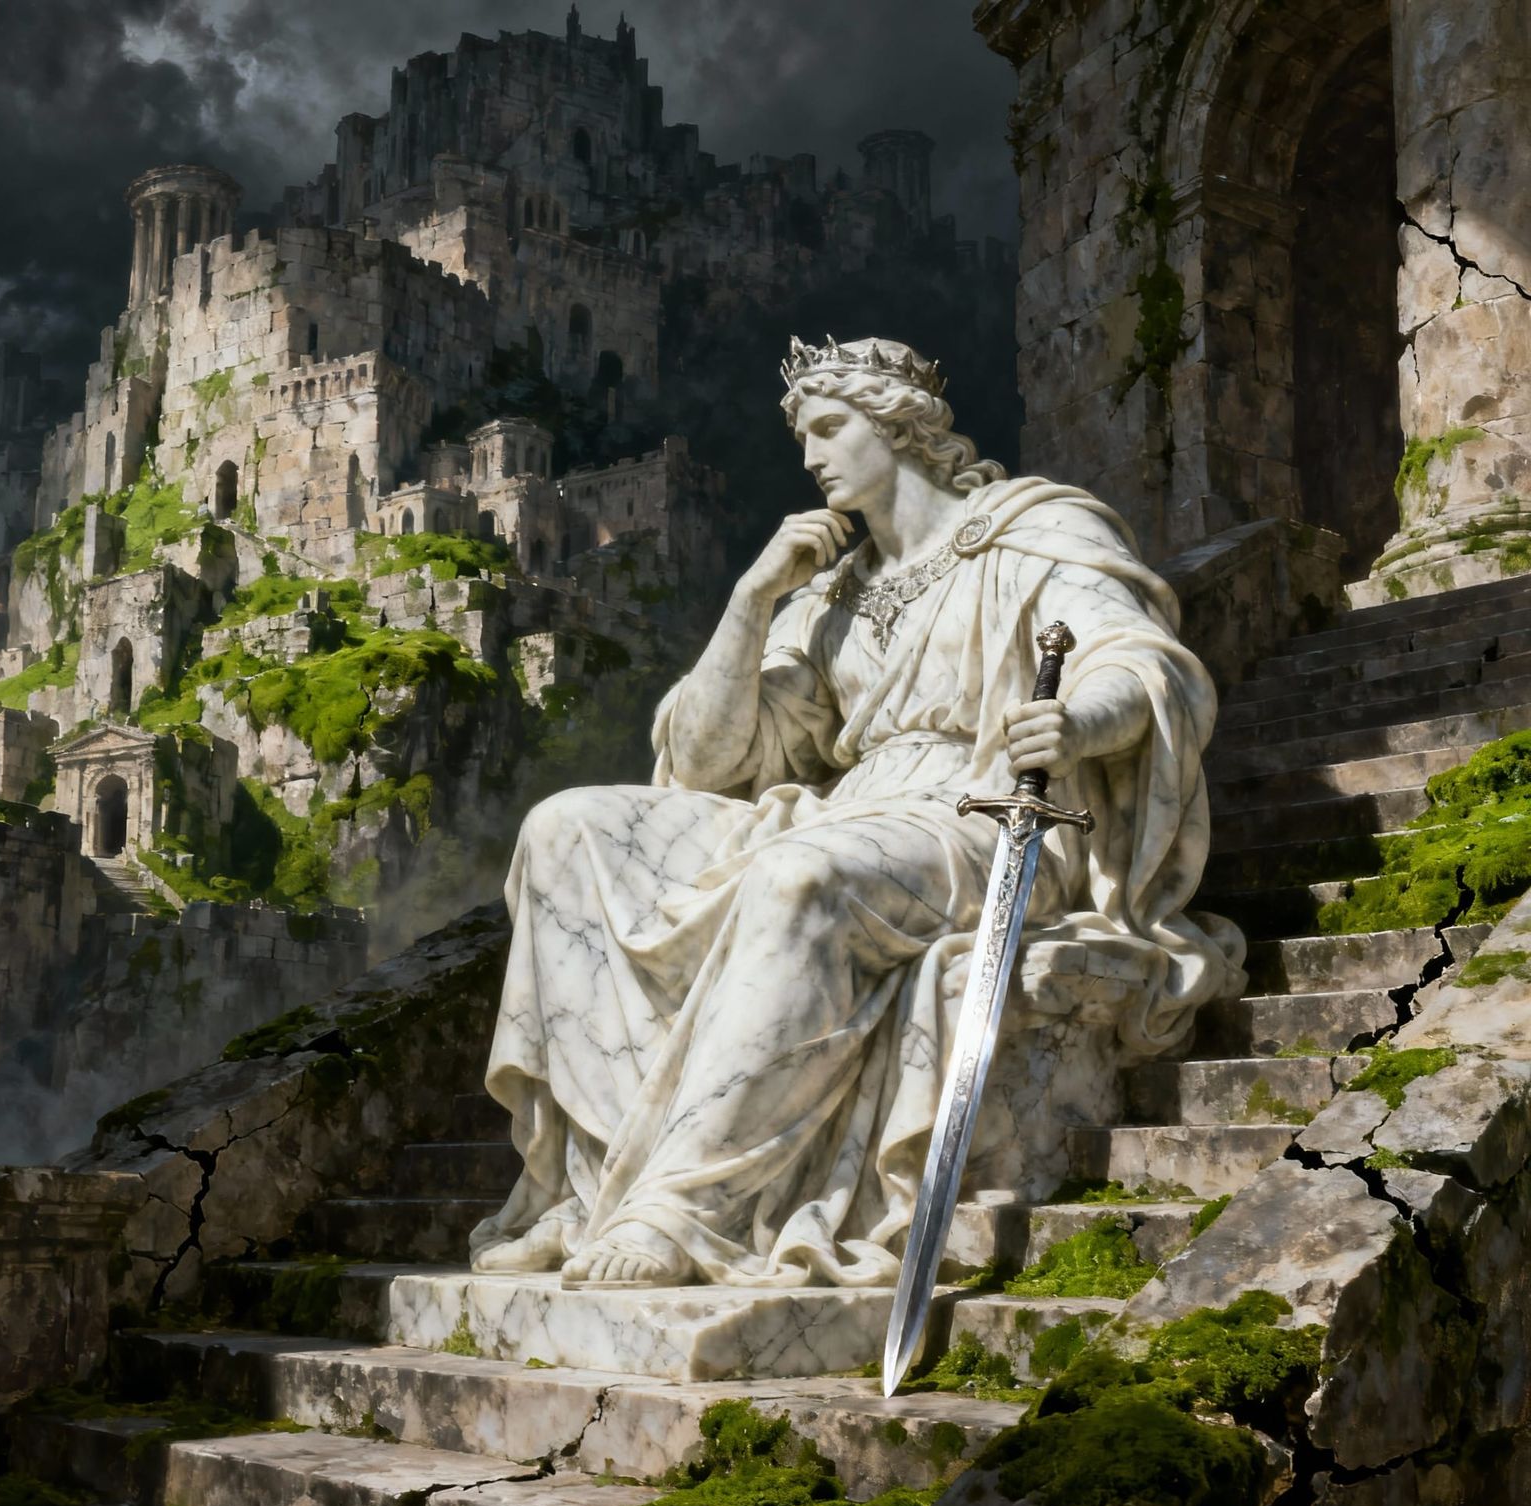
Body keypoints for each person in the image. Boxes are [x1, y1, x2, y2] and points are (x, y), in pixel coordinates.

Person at [468, 336, 1243, 1290]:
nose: (811, 456)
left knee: (800, 877)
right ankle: (585, 1189)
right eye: (803, 436)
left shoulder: (1031, 531)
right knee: (564, 828)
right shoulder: (828, 596)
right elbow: (706, 762)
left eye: (831, 428)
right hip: (854, 806)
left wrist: (1078, 721)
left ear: (899, 426)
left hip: (986, 808)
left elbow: (1143, 664)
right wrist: (752, 601)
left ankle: (683, 1207)